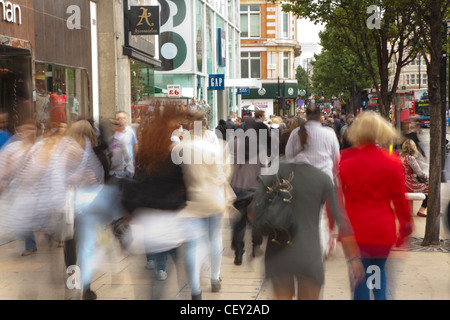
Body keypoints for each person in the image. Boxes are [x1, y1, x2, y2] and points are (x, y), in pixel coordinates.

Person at [257, 161, 365, 300]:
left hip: (278, 253)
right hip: (309, 253)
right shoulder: (323, 178)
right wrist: (353, 258)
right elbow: (341, 218)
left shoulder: (275, 172)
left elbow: (255, 210)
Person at [338, 112, 413, 300]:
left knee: (360, 280)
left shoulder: (345, 161)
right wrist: (405, 228)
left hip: (357, 230)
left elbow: (341, 202)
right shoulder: (392, 161)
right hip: (382, 230)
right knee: (378, 274)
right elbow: (400, 201)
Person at [124, 105, 187, 287]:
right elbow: (181, 183)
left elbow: (137, 179)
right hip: (166, 211)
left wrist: (131, 210)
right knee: (169, 247)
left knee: (155, 240)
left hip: (150, 210)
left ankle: (154, 262)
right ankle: (163, 269)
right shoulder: (173, 154)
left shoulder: (145, 153)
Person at [178, 110, 236, 300]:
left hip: (193, 198)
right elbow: (225, 170)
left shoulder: (183, 144)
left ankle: (195, 289)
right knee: (215, 237)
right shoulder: (216, 143)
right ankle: (215, 277)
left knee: (195, 243)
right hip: (214, 196)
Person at [285, 104, 341, 258]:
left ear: (306, 116)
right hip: (323, 180)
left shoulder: (296, 133)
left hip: (301, 181)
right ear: (320, 116)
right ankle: (320, 249)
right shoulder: (329, 133)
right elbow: (336, 158)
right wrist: (333, 174)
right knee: (320, 215)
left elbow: (289, 156)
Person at [228, 117, 264, 265]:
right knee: (256, 218)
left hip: (237, 187)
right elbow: (264, 169)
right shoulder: (260, 147)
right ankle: (256, 245)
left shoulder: (233, 144)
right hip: (255, 188)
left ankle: (238, 252)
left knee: (239, 221)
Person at [400, 139, 429, 217]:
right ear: (413, 148)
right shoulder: (410, 158)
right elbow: (420, 173)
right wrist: (425, 176)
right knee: (431, 188)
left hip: (401, 183)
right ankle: (422, 210)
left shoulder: (401, 158)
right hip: (409, 184)